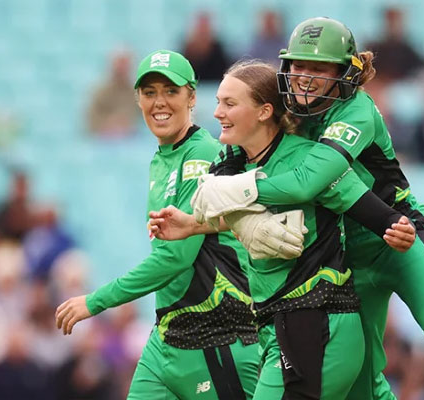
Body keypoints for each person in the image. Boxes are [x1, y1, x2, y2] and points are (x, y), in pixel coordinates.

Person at [189, 17, 424, 400]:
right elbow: (223, 166)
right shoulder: (283, 110)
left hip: (397, 234)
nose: (305, 77)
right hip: (343, 255)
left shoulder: (356, 109)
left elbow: (310, 182)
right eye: (299, 66)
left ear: (344, 73)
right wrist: (207, 200)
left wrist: (234, 191)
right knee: (364, 378)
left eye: (319, 68)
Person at [151, 59, 418, 399]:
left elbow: (379, 216)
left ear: (264, 111)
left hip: (321, 323)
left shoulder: (308, 162)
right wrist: (193, 225)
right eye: (218, 102)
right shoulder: (232, 162)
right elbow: (212, 196)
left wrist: (398, 230)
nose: (217, 112)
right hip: (275, 327)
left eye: (229, 103)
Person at [55, 50, 300, 400]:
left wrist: (95, 302)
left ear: (192, 97)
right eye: (149, 92)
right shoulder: (163, 159)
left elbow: (175, 258)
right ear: (137, 98)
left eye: (171, 91)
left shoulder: (201, 155)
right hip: (167, 339)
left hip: (216, 335)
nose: (159, 102)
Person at [86, 49, 140, 138]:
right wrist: (110, 125)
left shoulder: (137, 93)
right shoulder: (100, 93)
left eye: (125, 65)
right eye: (119, 64)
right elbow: (90, 124)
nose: (121, 69)